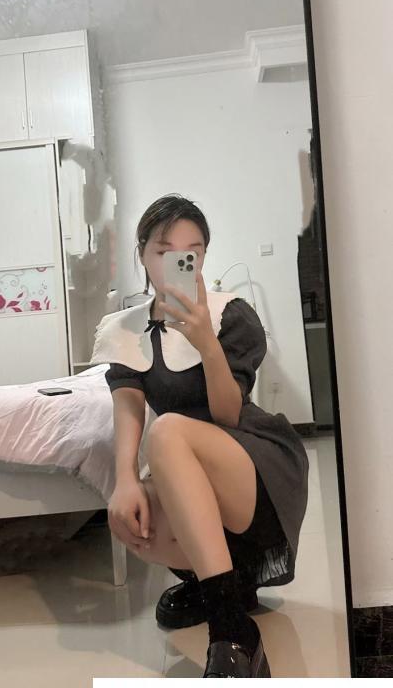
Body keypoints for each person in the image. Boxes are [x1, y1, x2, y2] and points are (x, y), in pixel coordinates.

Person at [89, 194, 309, 678]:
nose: (177, 261)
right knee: (130, 517)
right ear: (143, 254)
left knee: (167, 431)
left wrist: (207, 342)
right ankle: (226, 584)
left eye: (191, 252)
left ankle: (231, 630)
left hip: (252, 464)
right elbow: (128, 409)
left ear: (204, 256)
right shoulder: (125, 330)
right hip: (189, 469)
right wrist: (124, 481)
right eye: (163, 250)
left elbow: (229, 415)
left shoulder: (232, 314)